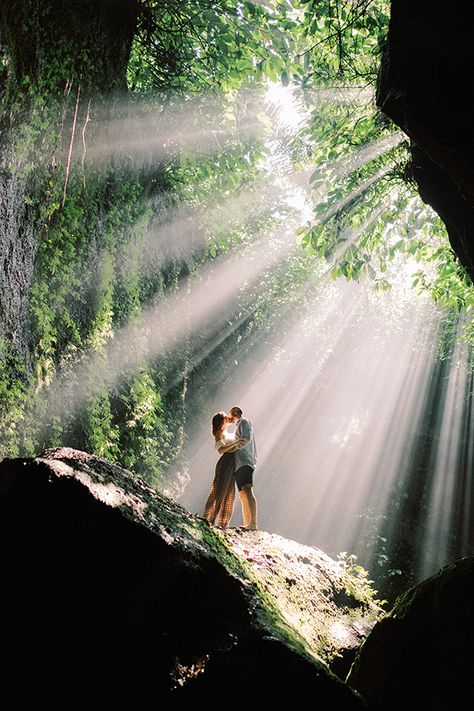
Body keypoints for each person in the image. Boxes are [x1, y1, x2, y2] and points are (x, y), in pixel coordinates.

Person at [203, 411, 245, 529]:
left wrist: (233, 420)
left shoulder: (226, 431)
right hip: (226, 462)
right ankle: (210, 518)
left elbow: (235, 423)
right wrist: (236, 443)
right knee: (219, 491)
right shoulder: (218, 433)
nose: (228, 418)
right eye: (226, 418)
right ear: (221, 421)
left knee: (229, 491)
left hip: (233, 463)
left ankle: (223, 523)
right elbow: (221, 449)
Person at [228, 405, 258, 531]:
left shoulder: (244, 422)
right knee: (242, 494)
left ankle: (253, 523)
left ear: (235, 413)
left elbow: (246, 438)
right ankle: (247, 523)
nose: (230, 419)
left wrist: (235, 447)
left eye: (231, 416)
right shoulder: (238, 426)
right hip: (239, 464)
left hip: (246, 461)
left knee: (247, 489)